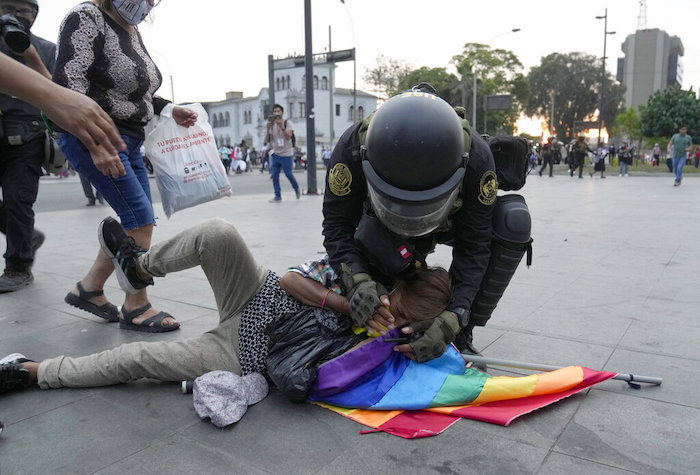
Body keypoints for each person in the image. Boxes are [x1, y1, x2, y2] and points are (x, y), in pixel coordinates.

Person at [0, 216, 451, 393]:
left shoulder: (394, 346)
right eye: (398, 306)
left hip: (242, 355)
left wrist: (386, 340)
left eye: (406, 321)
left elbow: (335, 378)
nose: (393, 315)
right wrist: (348, 304)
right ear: (398, 289)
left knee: (136, 358)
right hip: (256, 291)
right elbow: (294, 279)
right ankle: (138, 267)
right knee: (217, 234)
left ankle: (33, 371)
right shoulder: (363, 276)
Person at [322, 87, 531, 364]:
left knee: (513, 219)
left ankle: (460, 334)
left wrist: (456, 314)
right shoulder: (351, 150)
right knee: (372, 277)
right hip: (380, 222)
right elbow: (337, 227)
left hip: (451, 221)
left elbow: (474, 246)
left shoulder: (478, 162)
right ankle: (382, 311)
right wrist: (357, 280)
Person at [53, 0, 198, 330]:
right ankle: (136, 304)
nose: (146, 3)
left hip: (129, 138)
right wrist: (96, 143)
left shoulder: (130, 30)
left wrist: (167, 107)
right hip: (97, 134)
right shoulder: (87, 17)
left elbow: (133, 89)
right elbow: (67, 84)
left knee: (138, 220)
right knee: (140, 218)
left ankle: (89, 288)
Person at [0, 0, 55, 292]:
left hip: (27, 137)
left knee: (17, 200)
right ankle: (27, 237)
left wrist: (30, 54)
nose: (16, 15)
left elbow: (59, 92)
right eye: (8, 7)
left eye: (25, 10)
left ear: (35, 15)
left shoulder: (46, 49)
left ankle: (18, 267)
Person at [265, 104, 300, 202]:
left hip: (287, 154)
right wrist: (268, 129)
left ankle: (296, 188)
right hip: (276, 154)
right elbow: (268, 140)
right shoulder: (272, 125)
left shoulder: (287, 123)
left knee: (288, 174)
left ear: (282, 112)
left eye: (278, 111)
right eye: (275, 111)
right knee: (275, 175)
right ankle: (277, 195)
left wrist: (282, 127)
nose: (276, 113)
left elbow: (288, 137)